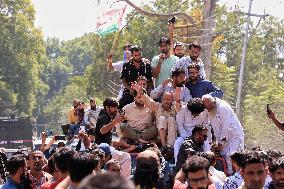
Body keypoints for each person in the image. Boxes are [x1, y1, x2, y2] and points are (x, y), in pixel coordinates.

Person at [191, 95, 244, 175]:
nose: (207, 110)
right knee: (224, 157)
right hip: (222, 138)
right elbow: (209, 125)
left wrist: (221, 143)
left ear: (213, 103)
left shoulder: (222, 108)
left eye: (209, 107)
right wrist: (213, 141)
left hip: (234, 136)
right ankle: (228, 176)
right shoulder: (207, 108)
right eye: (206, 107)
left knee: (232, 156)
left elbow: (227, 126)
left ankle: (236, 176)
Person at [131, 82, 181, 149]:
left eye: (168, 99)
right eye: (164, 99)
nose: (166, 101)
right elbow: (148, 101)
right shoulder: (157, 106)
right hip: (160, 136)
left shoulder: (175, 107)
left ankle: (170, 147)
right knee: (162, 118)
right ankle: (163, 146)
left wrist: (177, 100)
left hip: (172, 135)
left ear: (172, 100)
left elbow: (179, 108)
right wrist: (141, 92)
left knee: (171, 119)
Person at [174, 98, 210, 162]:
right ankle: (177, 164)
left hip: (198, 134)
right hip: (185, 133)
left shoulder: (204, 112)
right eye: (193, 113)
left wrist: (204, 137)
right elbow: (179, 125)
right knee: (177, 142)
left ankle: (207, 165)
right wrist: (186, 137)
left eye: (197, 114)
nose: (195, 115)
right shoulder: (183, 109)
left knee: (207, 143)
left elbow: (206, 126)